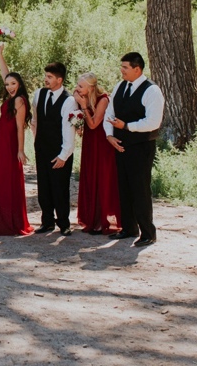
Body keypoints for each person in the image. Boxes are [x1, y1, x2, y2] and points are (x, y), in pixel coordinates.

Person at [104, 52, 165, 248]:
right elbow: (109, 113)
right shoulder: (120, 86)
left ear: (137, 69)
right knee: (124, 187)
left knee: (140, 189)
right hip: (119, 145)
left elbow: (153, 122)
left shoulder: (152, 91)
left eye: (125, 67)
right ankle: (129, 228)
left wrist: (127, 126)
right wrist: (109, 135)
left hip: (141, 147)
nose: (121, 71)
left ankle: (148, 232)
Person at [31, 62, 79, 236]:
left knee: (60, 188)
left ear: (60, 79)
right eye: (46, 76)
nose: (46, 79)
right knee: (43, 188)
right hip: (42, 149)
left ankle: (64, 224)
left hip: (60, 151)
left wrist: (64, 155)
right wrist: (36, 142)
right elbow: (35, 120)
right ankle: (47, 222)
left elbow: (69, 131)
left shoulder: (69, 101)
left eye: (50, 77)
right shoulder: (39, 94)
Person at [0, 44, 35, 236]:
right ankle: (1, 219)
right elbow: (5, 73)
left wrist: (20, 150)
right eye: (7, 84)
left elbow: (20, 127)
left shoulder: (19, 100)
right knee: (0, 179)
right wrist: (0, 55)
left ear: (19, 85)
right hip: (0, 142)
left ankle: (11, 221)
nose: (9, 87)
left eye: (13, 84)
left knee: (8, 180)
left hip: (10, 144)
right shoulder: (11, 96)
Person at [74, 72, 121, 234]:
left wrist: (84, 105)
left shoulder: (103, 100)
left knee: (102, 179)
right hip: (89, 142)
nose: (77, 89)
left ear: (91, 87)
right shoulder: (83, 98)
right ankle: (91, 218)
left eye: (81, 86)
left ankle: (102, 221)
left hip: (101, 144)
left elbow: (94, 124)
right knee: (89, 177)